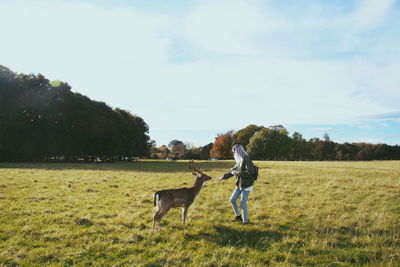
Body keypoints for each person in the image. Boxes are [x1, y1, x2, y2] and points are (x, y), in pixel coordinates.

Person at [217, 144, 256, 224]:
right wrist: (223, 177)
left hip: (247, 184)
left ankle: (245, 221)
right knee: (232, 200)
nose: (234, 154)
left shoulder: (246, 158)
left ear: (238, 151)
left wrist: (238, 173)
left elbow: (250, 172)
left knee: (243, 204)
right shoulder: (239, 161)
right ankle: (238, 216)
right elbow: (232, 171)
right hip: (240, 184)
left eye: (234, 152)